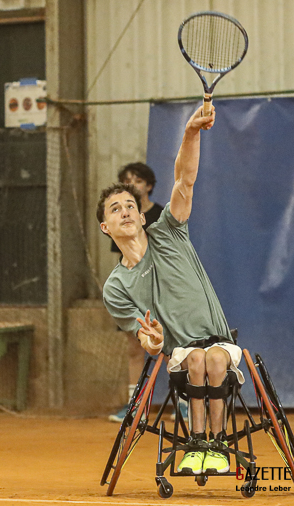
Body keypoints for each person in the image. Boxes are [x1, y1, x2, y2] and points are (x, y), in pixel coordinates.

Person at [96, 105, 242, 476]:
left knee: (212, 359)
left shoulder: (170, 231)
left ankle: (218, 443)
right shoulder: (116, 287)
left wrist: (191, 132)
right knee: (195, 359)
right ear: (105, 226)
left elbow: (184, 179)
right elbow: (146, 342)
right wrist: (155, 340)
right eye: (116, 209)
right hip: (181, 354)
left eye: (130, 205)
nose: (126, 211)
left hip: (220, 342)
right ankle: (197, 443)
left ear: (143, 216)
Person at [106, 163, 187, 424]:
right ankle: (136, 404)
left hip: (164, 289)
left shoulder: (161, 214)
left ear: (149, 185)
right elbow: (124, 254)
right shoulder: (120, 218)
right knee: (134, 347)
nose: (133, 185)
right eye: (127, 180)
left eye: (138, 181)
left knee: (176, 347)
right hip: (135, 293)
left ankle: (184, 404)